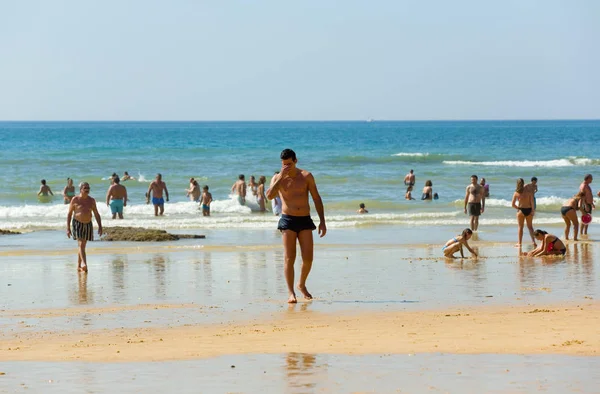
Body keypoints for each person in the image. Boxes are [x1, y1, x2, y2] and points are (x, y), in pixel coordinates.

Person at [266, 149, 326, 304]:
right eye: (284, 164)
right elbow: (269, 196)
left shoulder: (306, 176)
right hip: (288, 220)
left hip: (305, 219)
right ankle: (291, 292)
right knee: (289, 258)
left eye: (289, 164)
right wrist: (281, 178)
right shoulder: (277, 177)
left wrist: (322, 221)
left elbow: (316, 198)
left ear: (296, 161)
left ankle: (301, 284)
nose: (287, 167)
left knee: (308, 258)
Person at [66, 182, 103, 272]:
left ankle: (78, 265)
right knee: (81, 244)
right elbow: (69, 214)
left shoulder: (91, 200)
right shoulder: (75, 199)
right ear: (81, 189)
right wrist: (68, 228)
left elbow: (96, 214)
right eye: (85, 188)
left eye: (88, 188)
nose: (87, 189)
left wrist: (100, 226)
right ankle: (84, 263)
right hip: (77, 223)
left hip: (88, 224)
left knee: (82, 246)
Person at [511, 178, 536, 247]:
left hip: (521, 211)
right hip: (529, 210)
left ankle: (519, 243)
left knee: (520, 227)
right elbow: (532, 203)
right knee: (530, 227)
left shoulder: (516, 193)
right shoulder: (529, 192)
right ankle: (533, 242)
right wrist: (532, 211)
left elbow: (512, 204)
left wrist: (518, 208)